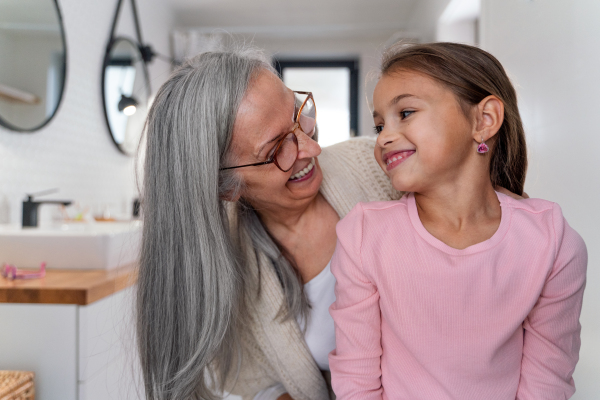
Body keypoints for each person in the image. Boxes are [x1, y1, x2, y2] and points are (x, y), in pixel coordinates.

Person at [136, 45, 524, 400]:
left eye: (298, 116)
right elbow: (256, 385)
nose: (311, 148)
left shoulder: (386, 170)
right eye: (276, 150)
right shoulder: (224, 274)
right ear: (226, 187)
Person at [328, 42, 587, 400]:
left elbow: (547, 380)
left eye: (405, 113)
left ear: (484, 120)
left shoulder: (552, 240)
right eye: (378, 126)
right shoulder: (362, 235)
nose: (385, 136)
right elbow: (357, 379)